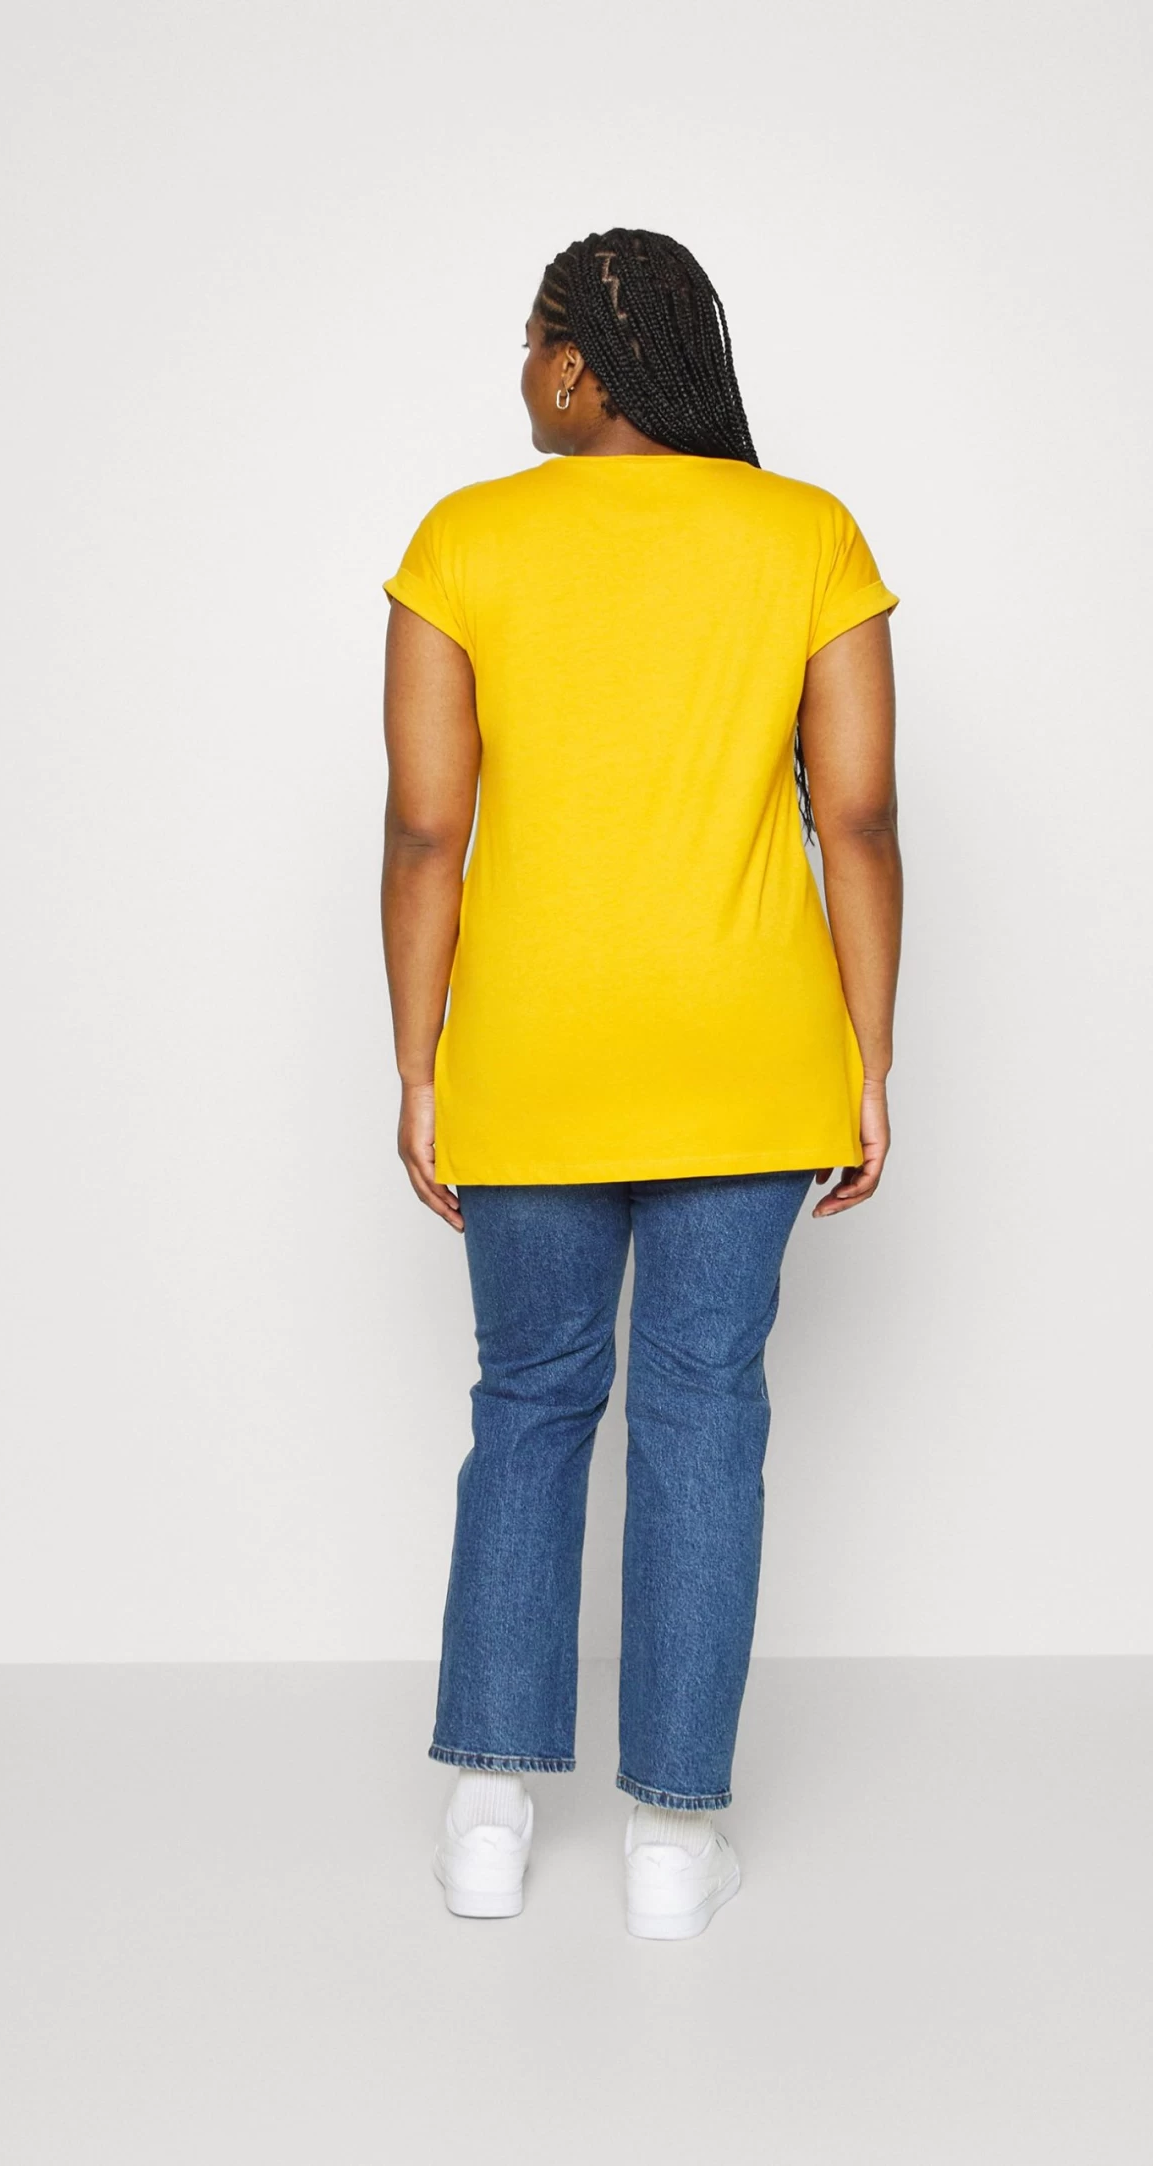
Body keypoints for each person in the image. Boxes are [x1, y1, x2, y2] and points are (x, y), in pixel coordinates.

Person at [380, 228, 901, 1940]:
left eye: (530, 343)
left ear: (578, 365)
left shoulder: (466, 541)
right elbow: (858, 818)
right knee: (702, 1412)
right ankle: (673, 1842)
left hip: (532, 1051)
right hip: (747, 1054)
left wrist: (417, 1064)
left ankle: (488, 1817)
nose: (519, 375)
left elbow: (427, 832)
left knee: (529, 1402)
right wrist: (871, 1055)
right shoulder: (805, 534)